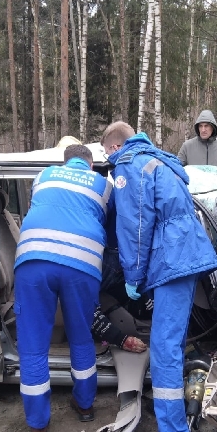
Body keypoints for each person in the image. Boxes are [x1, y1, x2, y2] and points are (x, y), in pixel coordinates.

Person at [101, 122, 217, 432]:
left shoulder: (127, 165)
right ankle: (176, 412)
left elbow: (135, 226)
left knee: (164, 348)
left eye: (108, 155)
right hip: (187, 254)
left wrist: (133, 275)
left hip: (171, 258)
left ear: (112, 148)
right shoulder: (160, 160)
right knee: (175, 341)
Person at [14, 144, 113, 432]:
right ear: (91, 165)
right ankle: (84, 406)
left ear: (64, 162)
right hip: (82, 263)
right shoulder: (103, 185)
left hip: (34, 260)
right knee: (81, 336)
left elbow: (40, 207)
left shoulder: (42, 176)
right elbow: (107, 221)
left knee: (33, 344)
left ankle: (38, 425)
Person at [54, 136, 147, 354]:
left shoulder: (48, 182)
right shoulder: (101, 187)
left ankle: (135, 314)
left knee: (112, 287)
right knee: (86, 296)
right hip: (92, 258)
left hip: (68, 258)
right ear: (91, 165)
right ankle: (126, 330)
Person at [178, 109, 217, 174]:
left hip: (216, 184)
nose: (203, 130)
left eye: (206, 126)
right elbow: (177, 168)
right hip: (194, 184)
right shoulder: (187, 146)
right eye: (200, 126)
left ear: (212, 127)